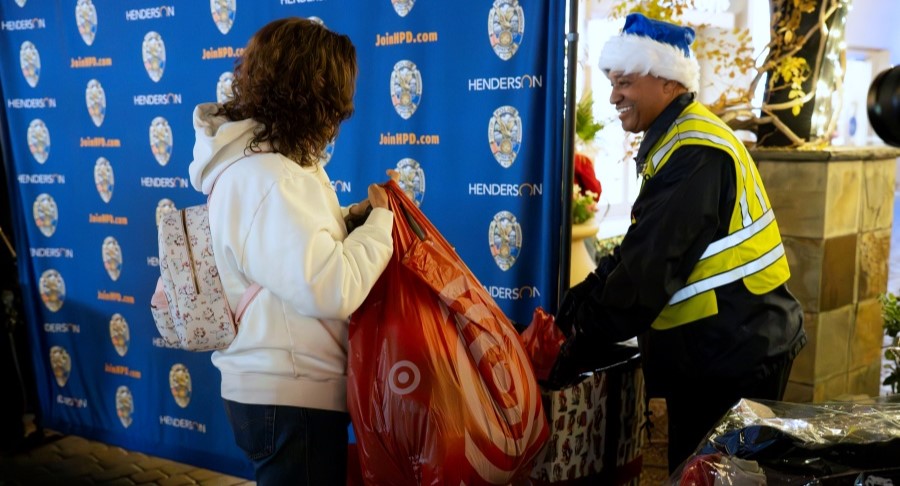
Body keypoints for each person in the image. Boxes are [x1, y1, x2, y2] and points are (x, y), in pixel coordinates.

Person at [551, 13, 807, 473]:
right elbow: (642, 242)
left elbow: (647, 273)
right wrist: (585, 295)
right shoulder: (676, 138)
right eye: (612, 82)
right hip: (722, 346)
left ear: (667, 81)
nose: (613, 96)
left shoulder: (694, 153)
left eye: (624, 82)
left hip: (734, 355)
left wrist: (576, 345)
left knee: (711, 479)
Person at [187, 18, 394, 485]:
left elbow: (292, 251)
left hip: (283, 391)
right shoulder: (269, 177)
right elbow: (331, 287)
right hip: (289, 396)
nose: (341, 111)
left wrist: (351, 220)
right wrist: (381, 224)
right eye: (337, 96)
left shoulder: (264, 167)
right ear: (313, 90)